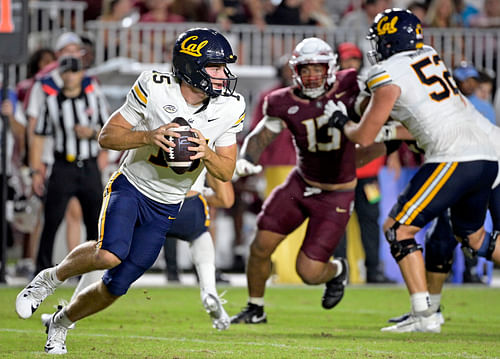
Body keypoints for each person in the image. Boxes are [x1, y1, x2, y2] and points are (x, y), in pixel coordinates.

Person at [15, 27, 245, 354]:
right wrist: (149, 136)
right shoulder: (155, 87)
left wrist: (206, 151)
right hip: (132, 185)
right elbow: (107, 136)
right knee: (109, 252)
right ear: (192, 66)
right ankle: (48, 280)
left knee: (115, 287)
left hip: (168, 204)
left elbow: (226, 170)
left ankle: (61, 322)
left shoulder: (230, 106)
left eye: (224, 67)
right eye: (216, 67)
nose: (224, 75)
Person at [329, 8, 498, 333]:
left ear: (389, 40)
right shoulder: (431, 56)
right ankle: (426, 312)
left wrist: (343, 121)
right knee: (476, 237)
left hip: (454, 156)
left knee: (397, 228)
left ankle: (424, 316)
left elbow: (364, 135)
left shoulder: (385, 71)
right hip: (487, 154)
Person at [231, 37, 359, 324]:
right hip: (300, 183)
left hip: (336, 193)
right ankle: (255, 308)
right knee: (260, 244)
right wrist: (246, 159)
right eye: (306, 69)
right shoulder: (281, 101)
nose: (312, 75)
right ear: (295, 71)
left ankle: (337, 270)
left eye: (318, 68)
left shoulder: (351, 86)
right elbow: (263, 134)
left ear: (330, 69)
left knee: (310, 272)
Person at [29, 55, 108, 277]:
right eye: (66, 72)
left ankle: (94, 270)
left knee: (95, 221)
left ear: (81, 74)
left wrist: (92, 133)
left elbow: (108, 130)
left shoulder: (94, 98)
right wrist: (36, 170)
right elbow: (39, 136)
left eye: (74, 72)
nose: (70, 76)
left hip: (89, 166)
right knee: (51, 220)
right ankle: (41, 270)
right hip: (64, 165)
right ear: (61, 75)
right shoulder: (52, 102)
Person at [163, 169, 234, 329]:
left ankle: (109, 280)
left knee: (123, 262)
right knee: (200, 236)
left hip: (157, 204)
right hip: (191, 203)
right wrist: (205, 192)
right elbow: (226, 199)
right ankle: (209, 291)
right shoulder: (209, 145)